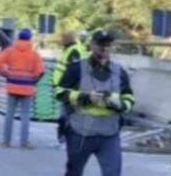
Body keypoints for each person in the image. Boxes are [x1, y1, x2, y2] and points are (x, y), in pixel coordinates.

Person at [56, 29, 135, 176]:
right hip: (80, 133)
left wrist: (118, 104)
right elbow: (60, 92)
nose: (104, 48)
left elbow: (129, 99)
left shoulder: (120, 72)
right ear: (92, 45)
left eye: (108, 44)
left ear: (113, 47)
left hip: (109, 134)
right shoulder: (77, 68)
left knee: (112, 173)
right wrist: (86, 98)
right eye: (100, 44)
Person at [0, 27, 45, 149]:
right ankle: (24, 142)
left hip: (12, 86)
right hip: (27, 88)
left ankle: (6, 142)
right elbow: (40, 71)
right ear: (30, 39)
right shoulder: (34, 54)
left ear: (18, 38)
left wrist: (4, 73)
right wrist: (34, 81)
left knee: (9, 114)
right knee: (25, 116)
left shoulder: (10, 51)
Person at [53, 31, 89, 145]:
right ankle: (64, 138)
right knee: (65, 115)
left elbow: (75, 71)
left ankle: (66, 139)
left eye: (63, 38)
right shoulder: (70, 49)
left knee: (66, 115)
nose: (61, 40)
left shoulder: (74, 51)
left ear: (68, 39)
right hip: (63, 86)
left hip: (69, 88)